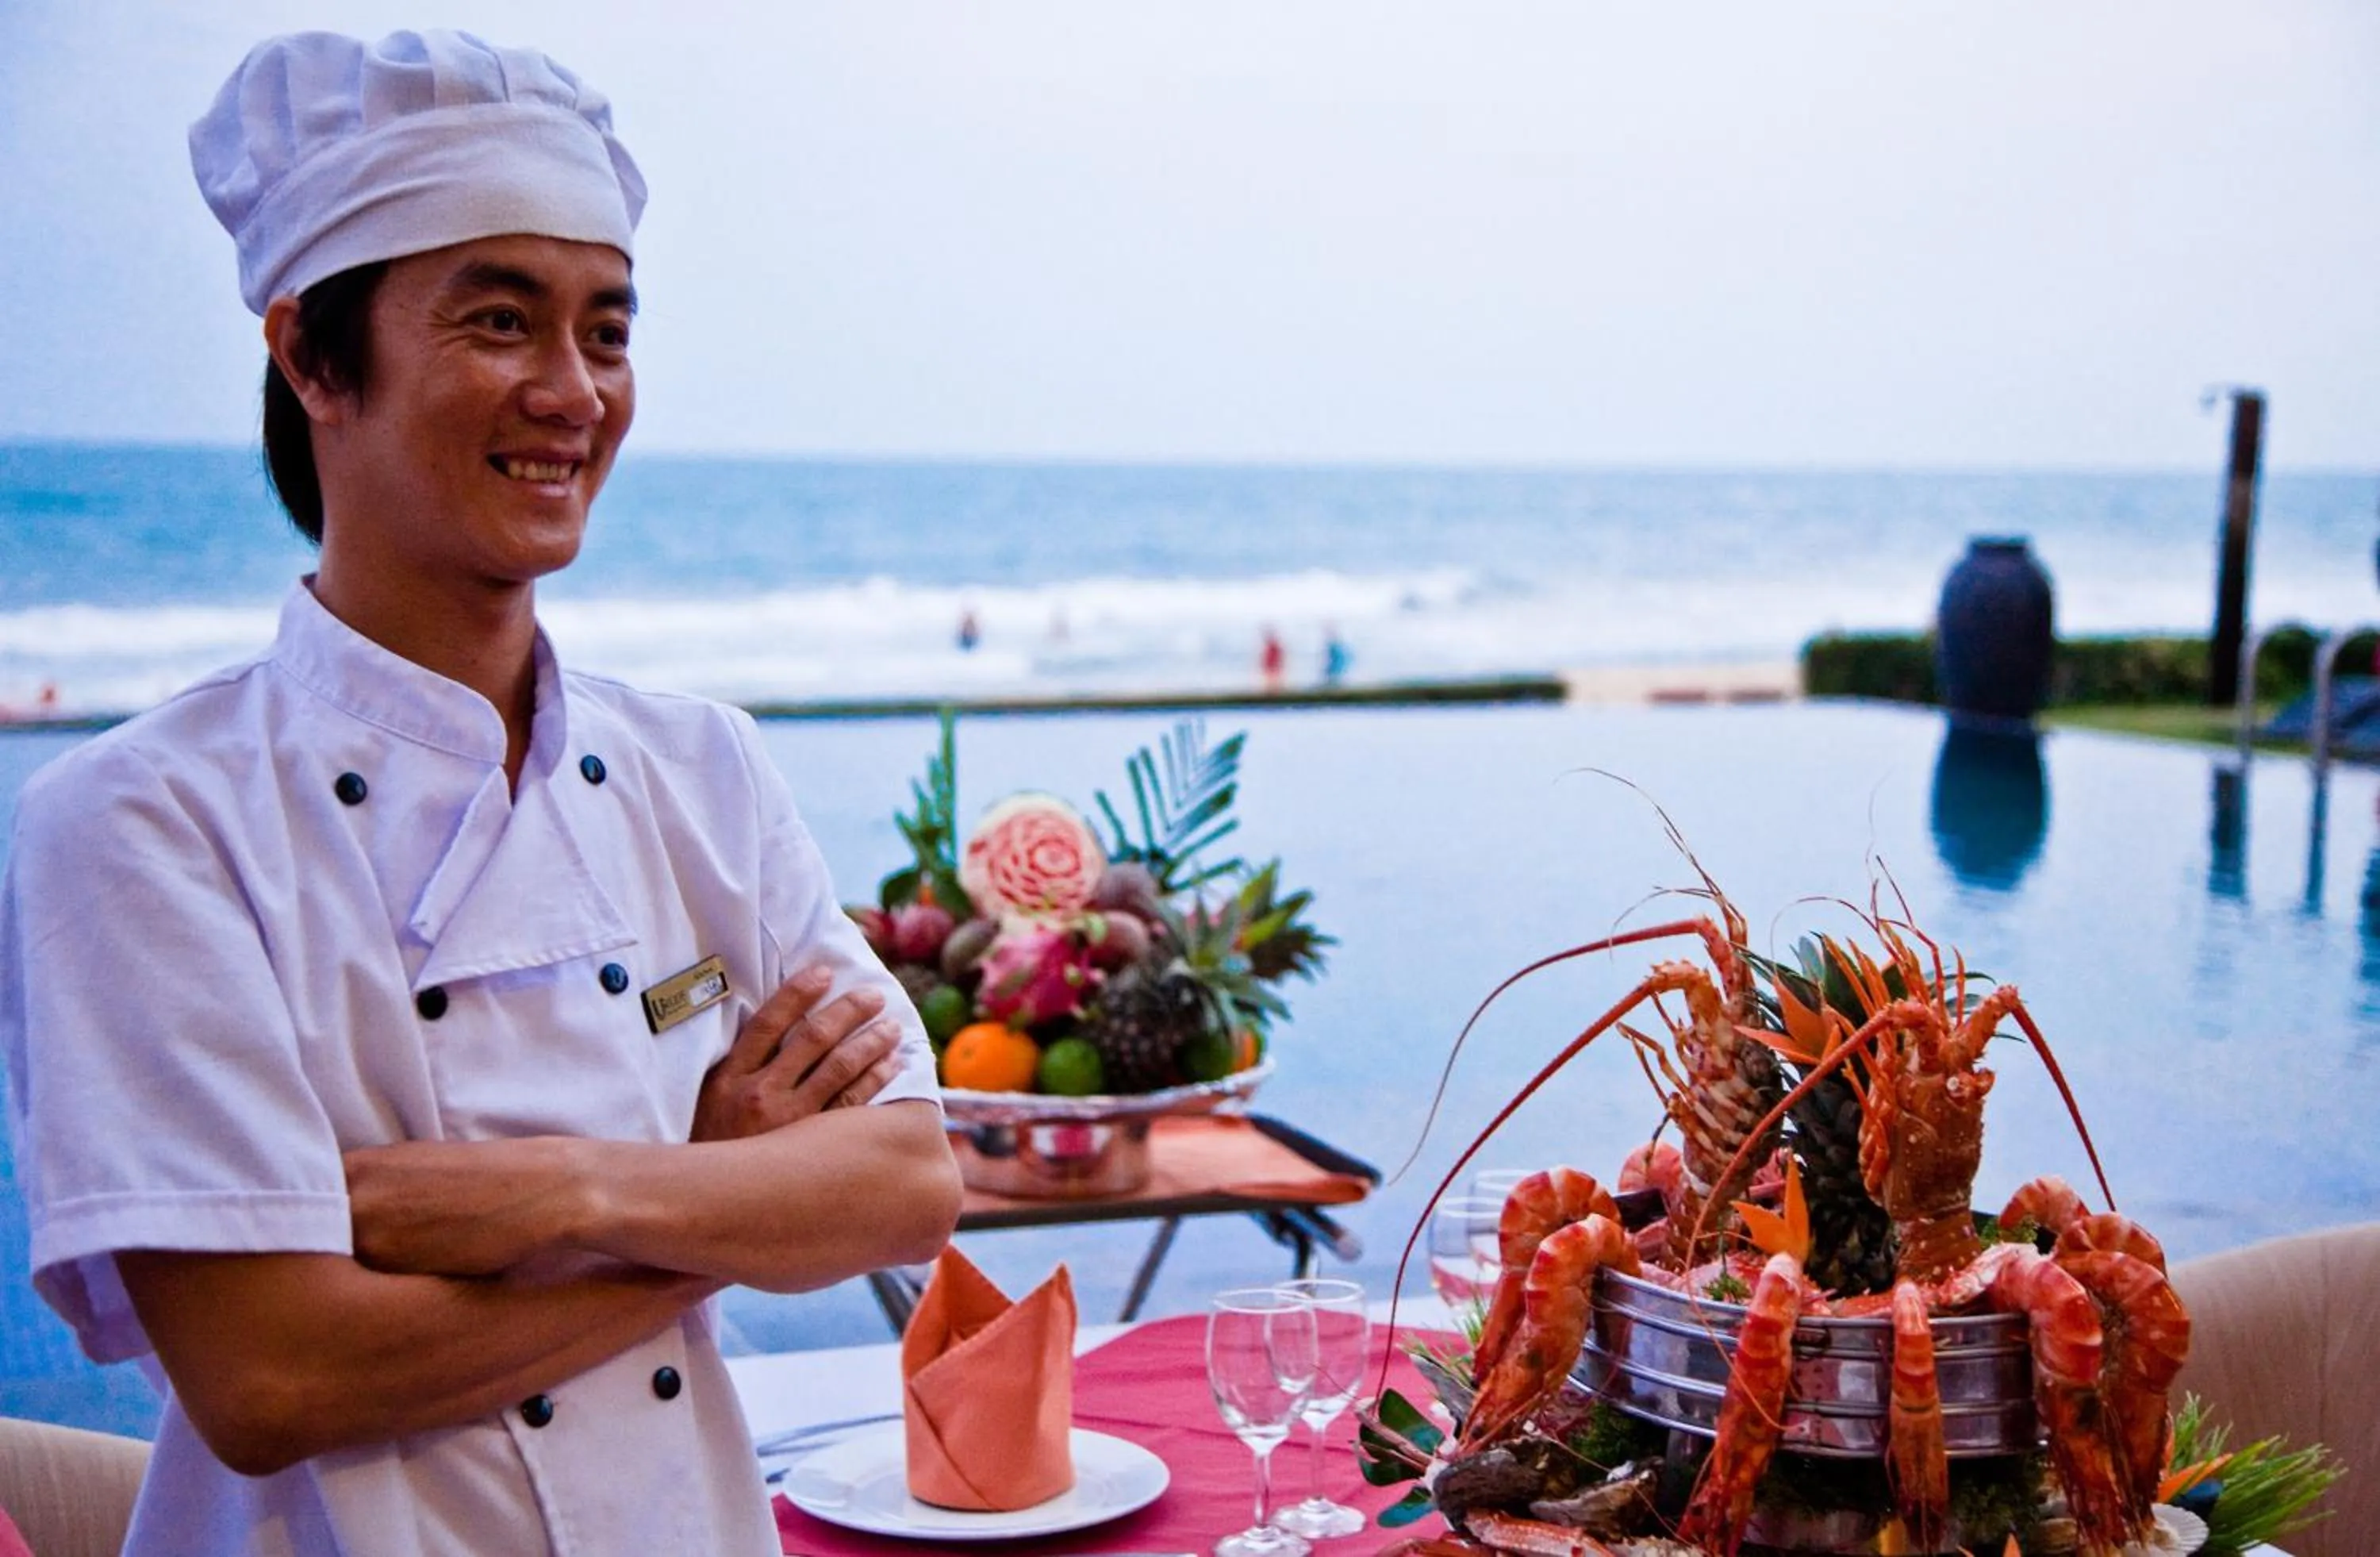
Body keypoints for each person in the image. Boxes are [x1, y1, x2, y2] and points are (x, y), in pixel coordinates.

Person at [0, 30, 960, 1557]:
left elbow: (909, 1176)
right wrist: (720, 1195)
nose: (571, 393)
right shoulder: (137, 825)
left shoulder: (699, 766)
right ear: (313, 356)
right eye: (501, 320)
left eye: (607, 330)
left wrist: (562, 1192)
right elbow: (272, 1372)